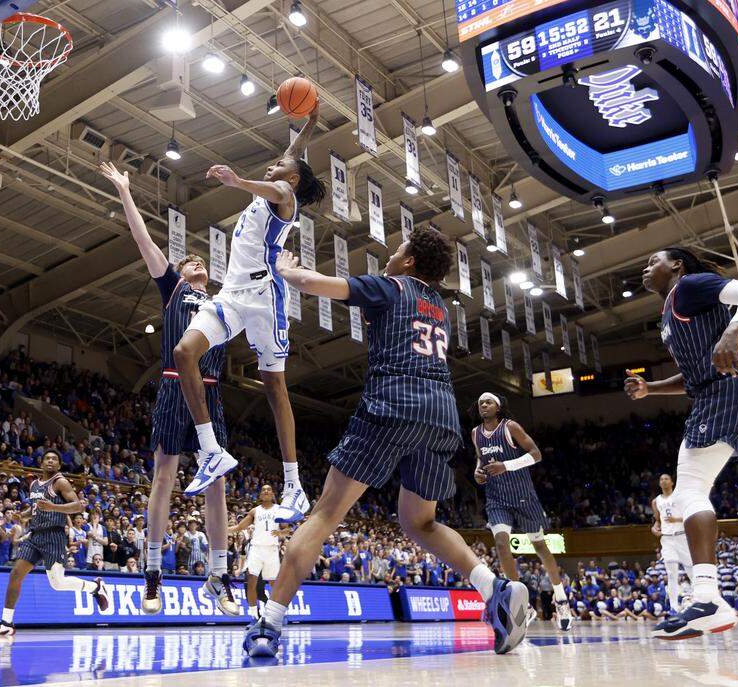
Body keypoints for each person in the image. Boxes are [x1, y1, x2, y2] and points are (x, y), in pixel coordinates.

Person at [243, 228, 530, 657]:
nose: (391, 255)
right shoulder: (440, 309)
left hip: (392, 404)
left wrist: (285, 267)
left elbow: (311, 283)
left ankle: (269, 624)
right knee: (420, 523)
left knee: (324, 515)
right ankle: (494, 588)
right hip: (441, 416)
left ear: (410, 261)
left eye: (397, 250)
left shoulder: (390, 286)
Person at [173, 107, 327, 524]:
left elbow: (281, 185)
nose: (274, 162)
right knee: (184, 352)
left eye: (280, 165)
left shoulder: (285, 198)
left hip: (266, 297)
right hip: (233, 295)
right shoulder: (279, 185)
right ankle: (210, 451)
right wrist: (309, 124)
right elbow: (293, 154)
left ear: (290, 179)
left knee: (275, 389)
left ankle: (294, 486)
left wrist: (237, 181)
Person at [99, 161, 238, 616]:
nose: (195, 260)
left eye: (200, 261)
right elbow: (142, 239)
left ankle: (218, 578)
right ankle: (153, 572)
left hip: (212, 392)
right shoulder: (174, 288)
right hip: (177, 386)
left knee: (216, 484)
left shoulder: (223, 303)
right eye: (189, 259)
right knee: (165, 474)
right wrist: (125, 190)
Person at [625, 246, 738, 639]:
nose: (646, 266)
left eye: (654, 260)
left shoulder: (690, 287)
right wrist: (650, 388)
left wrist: (733, 330)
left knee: (688, 492)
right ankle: (706, 601)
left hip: (723, 395)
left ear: (677, 266)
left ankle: (706, 598)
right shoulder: (670, 311)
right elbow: (694, 375)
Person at [472, 392, 574, 631]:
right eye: (480, 403)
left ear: (497, 407)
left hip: (523, 497)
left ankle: (561, 599)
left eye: (488, 402)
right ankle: (521, 603)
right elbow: (480, 459)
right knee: (500, 543)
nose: (483, 405)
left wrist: (505, 466)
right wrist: (478, 471)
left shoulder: (511, 427)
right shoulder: (476, 433)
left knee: (540, 547)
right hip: (497, 499)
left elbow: (536, 454)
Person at [0, 451, 110, 639]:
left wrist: (54, 507)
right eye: (47, 458)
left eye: (54, 459)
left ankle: (96, 587)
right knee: (15, 574)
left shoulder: (61, 482)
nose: (50, 461)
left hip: (54, 536)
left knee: (58, 583)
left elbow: (78, 506)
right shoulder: (34, 484)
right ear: (41, 463)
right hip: (35, 536)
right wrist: (23, 516)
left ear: (58, 465)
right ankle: (6, 623)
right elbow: (35, 509)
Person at [228, 484, 290, 616]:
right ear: (260, 495)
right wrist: (223, 530)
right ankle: (254, 615)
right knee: (251, 580)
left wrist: (281, 533)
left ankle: (277, 613)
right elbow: (239, 527)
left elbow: (288, 529)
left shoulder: (279, 510)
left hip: (272, 550)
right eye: (263, 490)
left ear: (272, 494)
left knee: (274, 584)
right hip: (256, 549)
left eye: (269, 489)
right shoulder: (255, 511)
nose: (266, 491)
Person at [652, 473, 692, 612]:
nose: (663, 481)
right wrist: (655, 528)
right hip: (667, 538)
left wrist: (676, 519)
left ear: (672, 482)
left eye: (666, 478)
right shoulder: (656, 501)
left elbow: (690, 514)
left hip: (681, 536)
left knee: (690, 570)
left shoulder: (679, 496)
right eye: (661, 479)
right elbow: (658, 520)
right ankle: (674, 607)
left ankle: (702, 600)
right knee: (671, 574)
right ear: (659, 483)